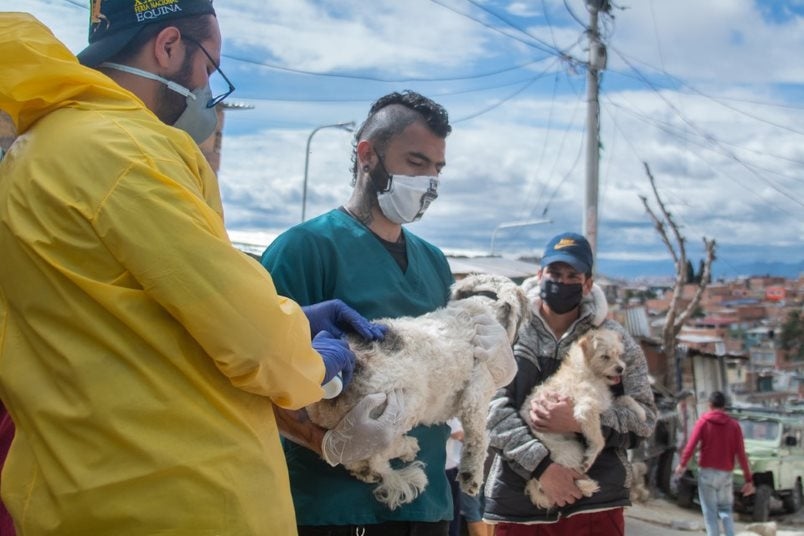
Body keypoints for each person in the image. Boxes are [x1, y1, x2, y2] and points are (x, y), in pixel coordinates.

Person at [0, 3, 382, 533]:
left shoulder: (34, 154)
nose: (208, 90)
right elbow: (255, 341)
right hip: (180, 499)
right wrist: (313, 361)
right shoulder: (125, 150)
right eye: (209, 67)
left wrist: (293, 315)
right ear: (168, 45)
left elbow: (132, 314)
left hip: (80, 490)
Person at [261, 90, 512, 535]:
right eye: (416, 163)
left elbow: (446, 370)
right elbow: (260, 377)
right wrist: (329, 444)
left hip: (426, 499)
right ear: (367, 155)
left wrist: (489, 368)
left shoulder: (434, 263)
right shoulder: (304, 250)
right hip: (334, 506)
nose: (430, 181)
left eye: (437, 169)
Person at [484, 232, 657, 535]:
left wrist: (581, 422)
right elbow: (490, 409)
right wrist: (542, 468)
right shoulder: (509, 332)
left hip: (594, 505)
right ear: (539, 275)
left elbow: (645, 420)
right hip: (521, 505)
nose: (561, 282)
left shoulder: (616, 340)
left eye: (572, 276)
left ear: (588, 284)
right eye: (554, 273)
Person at [674, 391, 755, 536]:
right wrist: (748, 479)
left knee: (710, 513)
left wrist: (683, 464)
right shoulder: (734, 426)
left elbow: (691, 445)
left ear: (710, 405)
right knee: (725, 510)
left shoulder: (703, 422)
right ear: (724, 407)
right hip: (725, 474)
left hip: (706, 472)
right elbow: (741, 454)